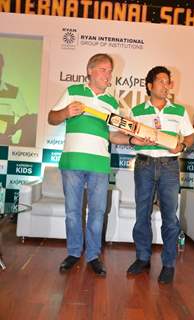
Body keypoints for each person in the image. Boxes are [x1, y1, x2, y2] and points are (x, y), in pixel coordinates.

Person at [48, 53, 143, 276]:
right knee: (73, 212)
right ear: (90, 70)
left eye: (110, 71)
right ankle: (73, 252)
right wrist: (65, 112)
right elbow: (52, 118)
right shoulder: (73, 91)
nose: (108, 75)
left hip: (99, 164)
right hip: (72, 162)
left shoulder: (112, 102)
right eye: (103, 69)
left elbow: (113, 136)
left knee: (98, 212)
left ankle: (92, 256)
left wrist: (131, 139)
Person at [127, 66, 194, 284]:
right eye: (162, 81)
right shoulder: (136, 111)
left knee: (170, 218)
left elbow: (191, 136)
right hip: (144, 165)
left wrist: (183, 145)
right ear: (150, 85)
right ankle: (143, 258)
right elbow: (125, 134)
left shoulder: (179, 111)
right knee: (142, 214)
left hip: (169, 167)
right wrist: (133, 139)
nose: (166, 86)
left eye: (168, 82)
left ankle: (168, 264)